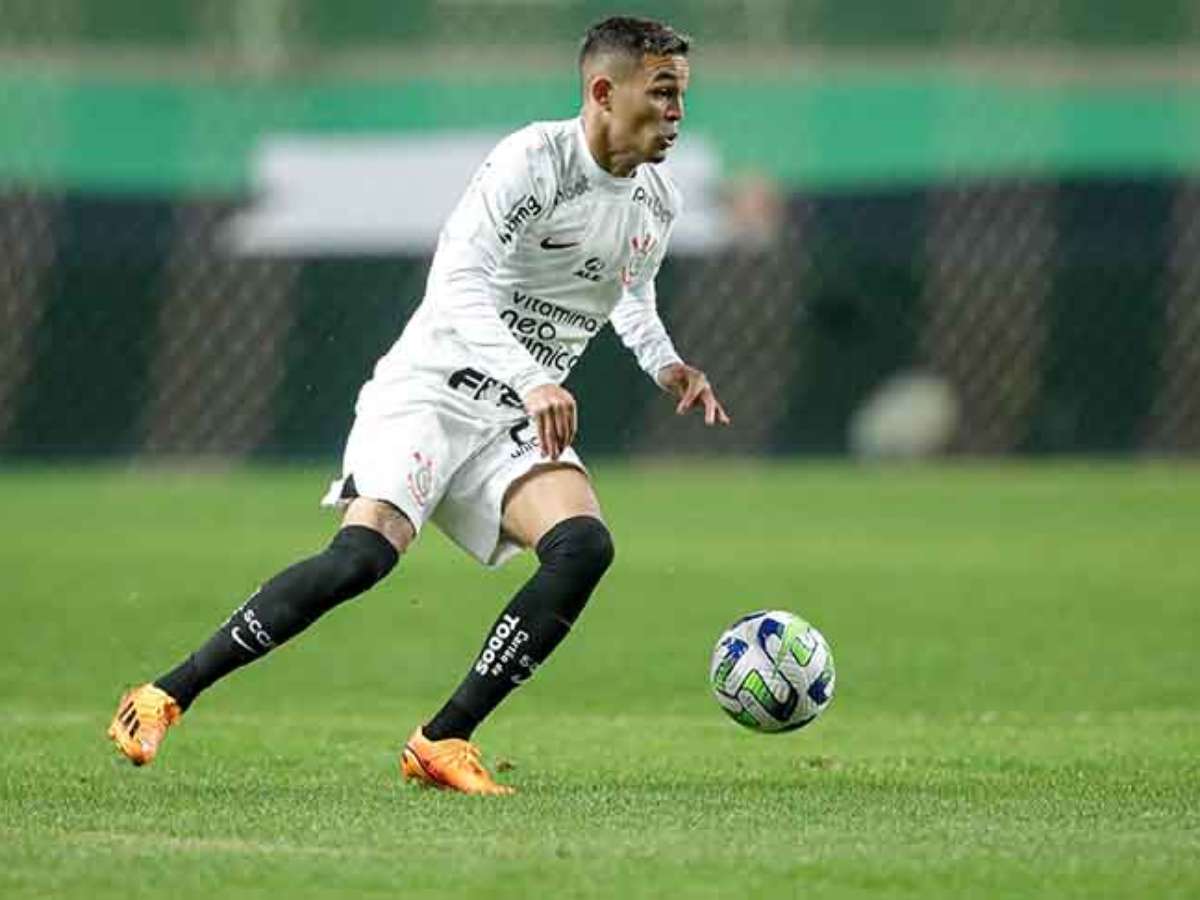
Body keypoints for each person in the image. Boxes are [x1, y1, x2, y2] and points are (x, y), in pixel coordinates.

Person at [107, 15, 729, 796]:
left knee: (583, 548)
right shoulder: (533, 163)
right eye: (662, 92)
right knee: (362, 559)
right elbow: (457, 283)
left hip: (509, 421)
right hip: (430, 394)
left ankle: (443, 739)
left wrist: (668, 365)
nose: (677, 112)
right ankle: (162, 695)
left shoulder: (656, 200)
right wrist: (532, 377)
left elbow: (630, 290)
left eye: (682, 95)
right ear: (603, 91)